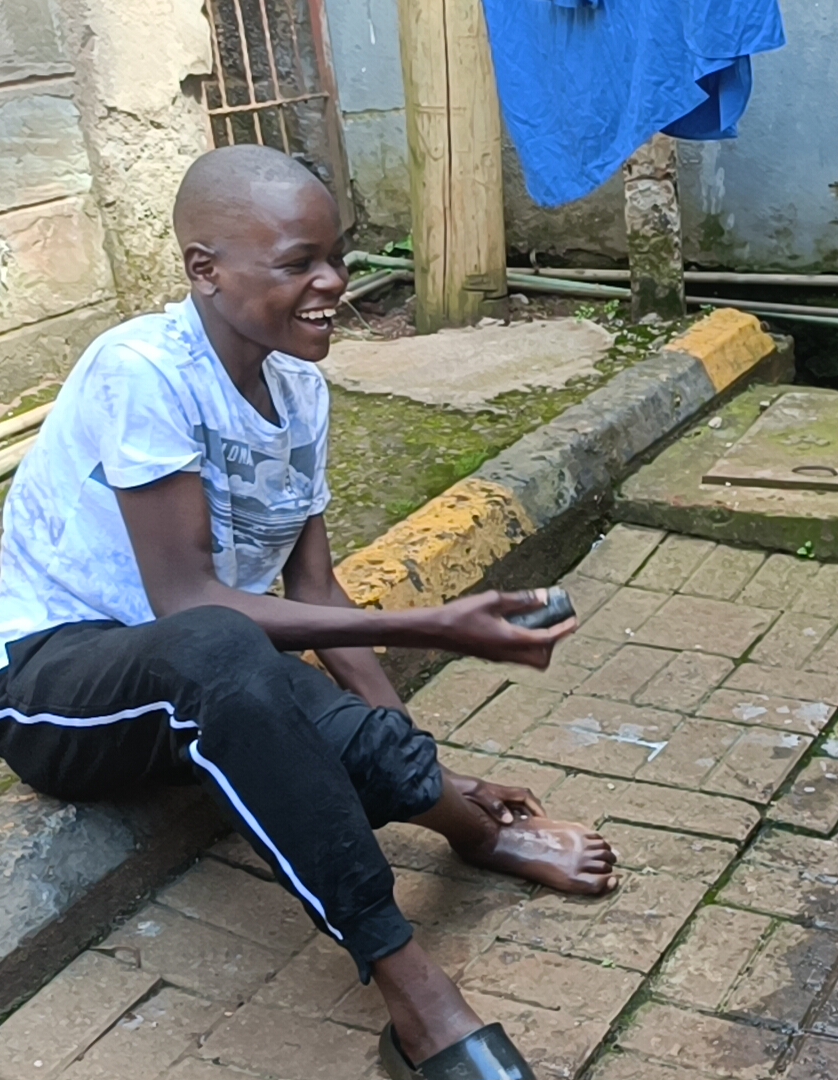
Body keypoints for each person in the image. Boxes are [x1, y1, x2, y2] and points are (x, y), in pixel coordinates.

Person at [0, 144, 614, 1078]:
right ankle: (418, 994)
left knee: (341, 721)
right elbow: (188, 602)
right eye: (299, 263)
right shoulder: (141, 371)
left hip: (210, 671)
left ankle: (475, 830)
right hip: (56, 678)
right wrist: (434, 622)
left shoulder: (301, 390)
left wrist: (423, 760)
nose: (335, 282)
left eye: (338, 254)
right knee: (219, 645)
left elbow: (316, 596)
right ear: (205, 269)